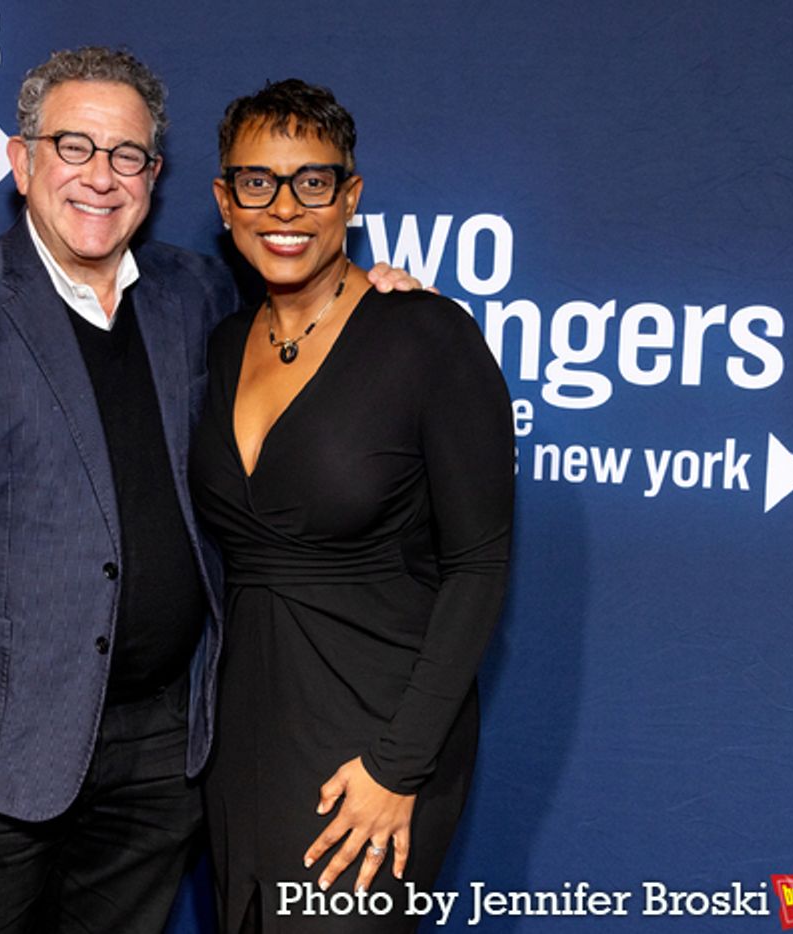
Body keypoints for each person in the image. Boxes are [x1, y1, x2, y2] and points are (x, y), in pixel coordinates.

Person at [0, 49, 421, 933]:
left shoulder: (195, 294)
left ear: (154, 176)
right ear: (20, 158)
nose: (100, 179)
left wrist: (374, 295)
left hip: (164, 754)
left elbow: (306, 302)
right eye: (74, 147)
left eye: (128, 157)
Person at [189, 80, 514, 933]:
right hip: (242, 740)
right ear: (225, 201)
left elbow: (479, 567)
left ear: (351, 197)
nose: (284, 206)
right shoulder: (221, 343)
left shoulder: (428, 338)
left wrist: (399, 767)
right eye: (257, 182)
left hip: (374, 743)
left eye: (313, 181)